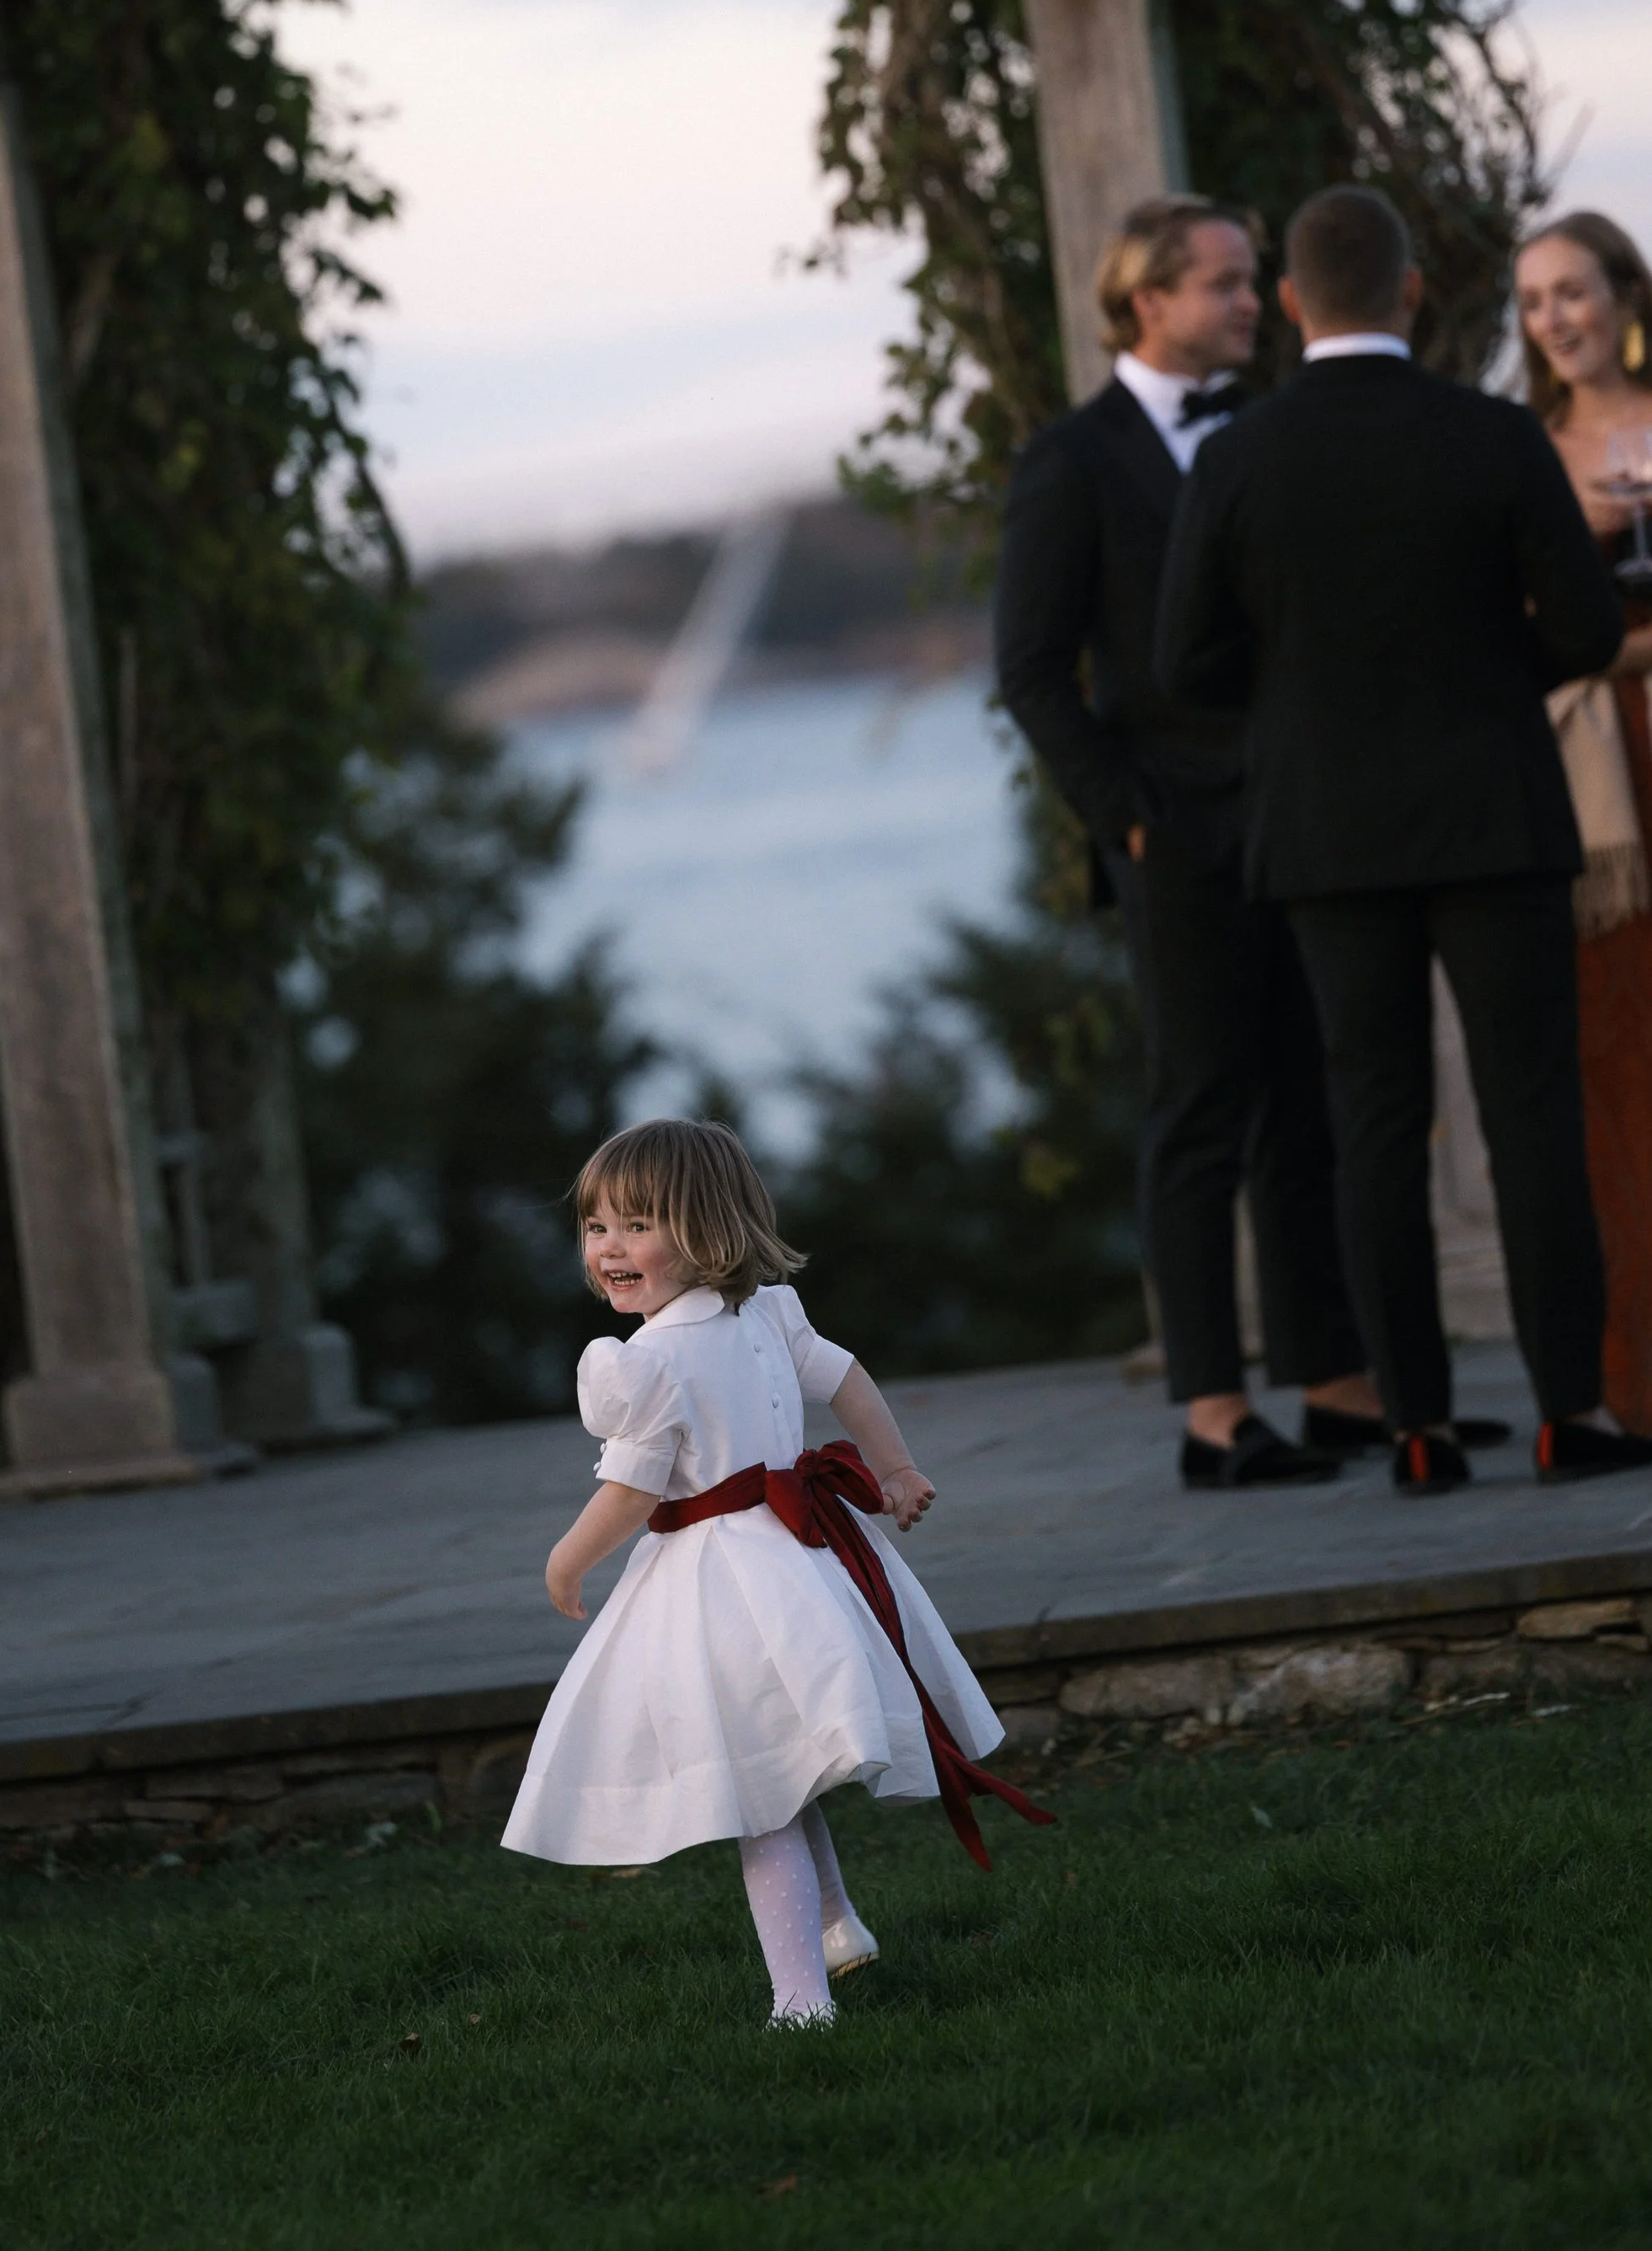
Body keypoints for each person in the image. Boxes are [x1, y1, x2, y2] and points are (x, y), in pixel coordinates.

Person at [1157, 185, 1644, 1490]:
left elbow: (1184, 665)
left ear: (1299, 303)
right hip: (1497, 816)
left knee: (1375, 1127)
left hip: (1326, 840)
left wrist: (1301, 707)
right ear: (1417, 292)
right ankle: (1570, 1414)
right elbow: (1594, 634)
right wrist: (1497, 666)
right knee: (1531, 1115)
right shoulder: (1490, 434)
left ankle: (1419, 1431)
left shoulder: (1238, 456)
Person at [995, 192, 1382, 1488]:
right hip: (1173, 829)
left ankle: (1334, 1384)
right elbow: (1034, 669)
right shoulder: (1073, 458)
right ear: (1146, 298)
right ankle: (1213, 1410)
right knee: (1200, 1110)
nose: (1246, 299)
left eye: (1250, 275)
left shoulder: (1265, 437)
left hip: (1294, 811)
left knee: (1307, 1102)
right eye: (1221, 280)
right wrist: (1128, 817)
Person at [500, 1119, 1051, 2027]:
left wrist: (567, 1560)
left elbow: (632, 1494)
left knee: (760, 1798)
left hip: (722, 1588)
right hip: (806, 1564)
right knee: (780, 1774)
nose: (609, 1248)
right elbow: (851, 1382)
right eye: (597, 1227)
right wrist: (896, 1466)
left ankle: (801, 2002)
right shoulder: (767, 1314)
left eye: (637, 1224)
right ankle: (836, 1927)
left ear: (710, 1230)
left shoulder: (650, 1363)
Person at [1513, 212, 1652, 1434]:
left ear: (1624, 293)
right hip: (1602, 784)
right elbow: (1519, 637)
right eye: (1536, 300)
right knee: (1623, 1073)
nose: (1557, 317)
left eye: (1575, 290)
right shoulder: (1526, 453)